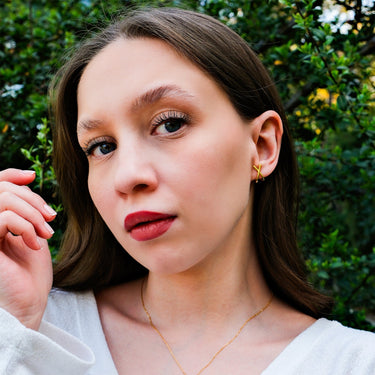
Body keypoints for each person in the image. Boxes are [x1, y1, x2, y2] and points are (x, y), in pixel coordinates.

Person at [0, 7, 374, 375]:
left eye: (170, 124)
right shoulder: (31, 331)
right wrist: (13, 325)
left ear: (261, 147)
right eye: (102, 146)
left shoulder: (354, 363)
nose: (127, 176)